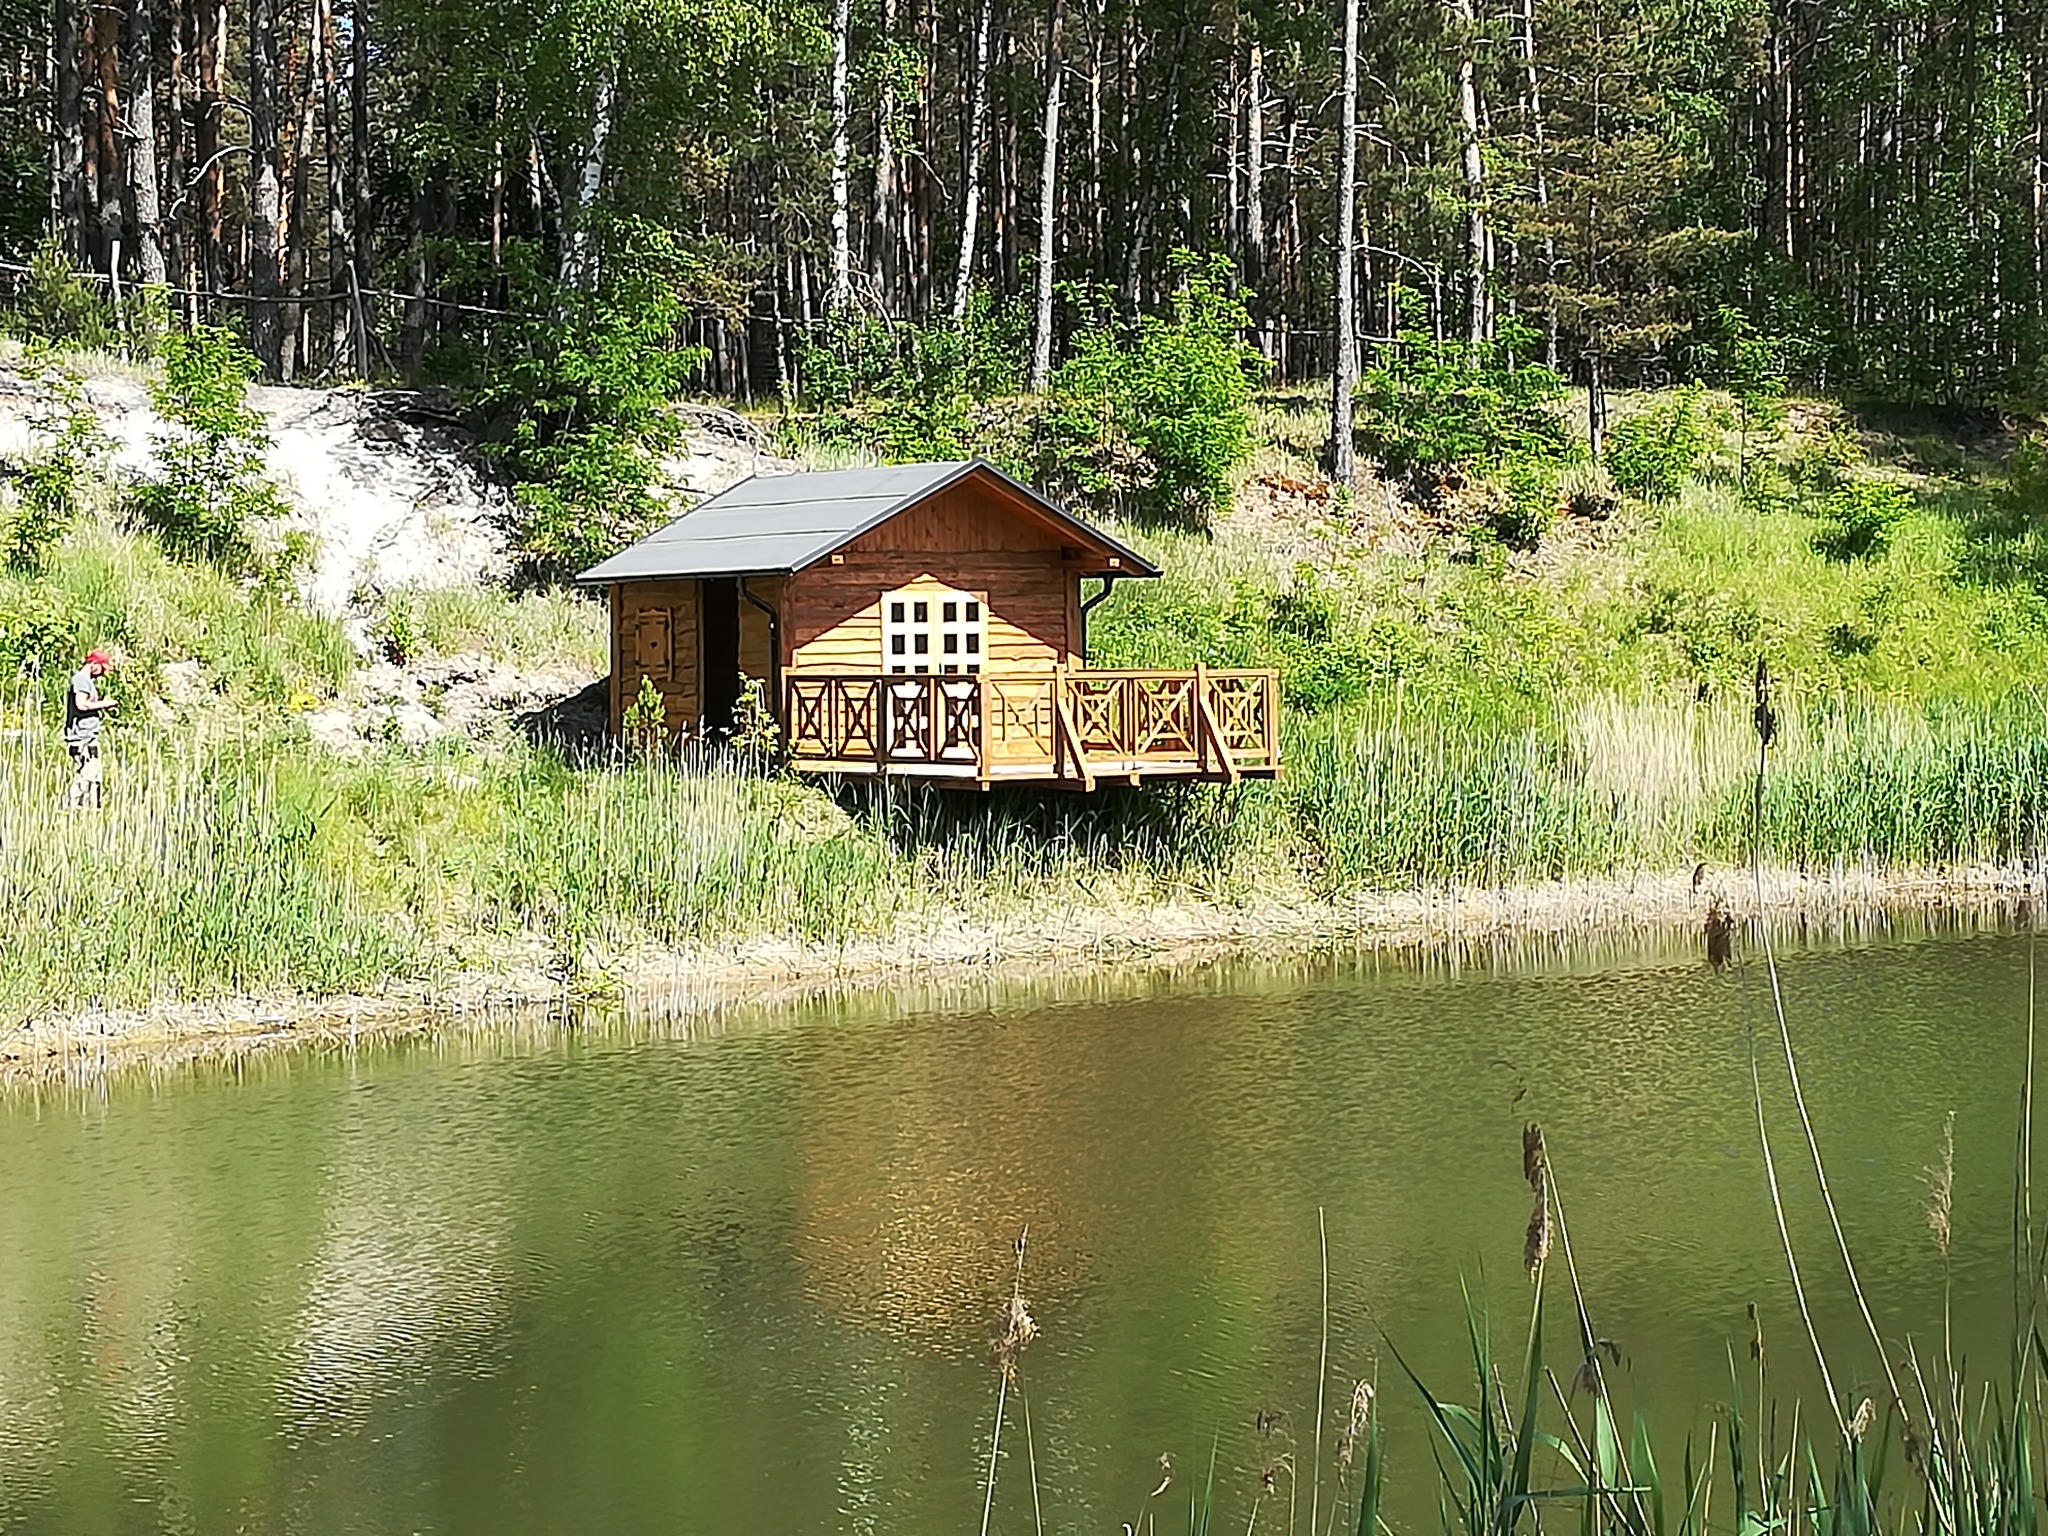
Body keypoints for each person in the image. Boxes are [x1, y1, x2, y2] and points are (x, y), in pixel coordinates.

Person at [61, 649, 117, 810]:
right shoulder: (81, 680)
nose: (103, 674)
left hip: (89, 736)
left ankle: (92, 806)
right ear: (94, 665)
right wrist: (105, 704)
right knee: (86, 772)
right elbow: (82, 704)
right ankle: (72, 805)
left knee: (95, 773)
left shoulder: (87, 681)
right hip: (80, 736)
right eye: (102, 669)